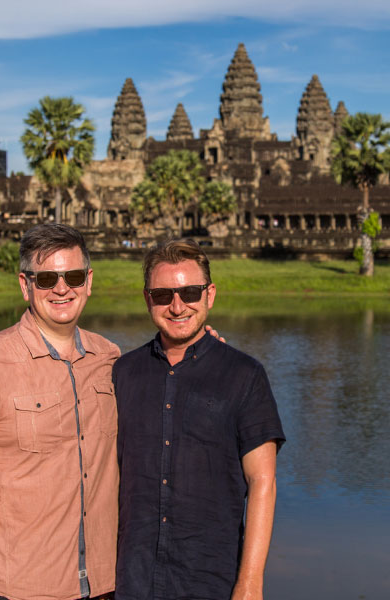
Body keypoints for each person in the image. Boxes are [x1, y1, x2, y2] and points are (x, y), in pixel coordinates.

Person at [0, 224, 119, 600]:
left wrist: (202, 346)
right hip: (17, 586)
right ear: (25, 285)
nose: (61, 288)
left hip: (104, 583)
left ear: (88, 281)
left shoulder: (110, 359)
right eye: (46, 279)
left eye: (71, 276)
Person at [113, 239, 285, 600]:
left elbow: (262, 482)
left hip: (212, 578)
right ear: (148, 299)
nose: (177, 306)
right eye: (163, 295)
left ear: (210, 295)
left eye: (190, 292)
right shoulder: (123, 373)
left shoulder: (244, 375)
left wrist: (250, 582)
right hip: (132, 578)